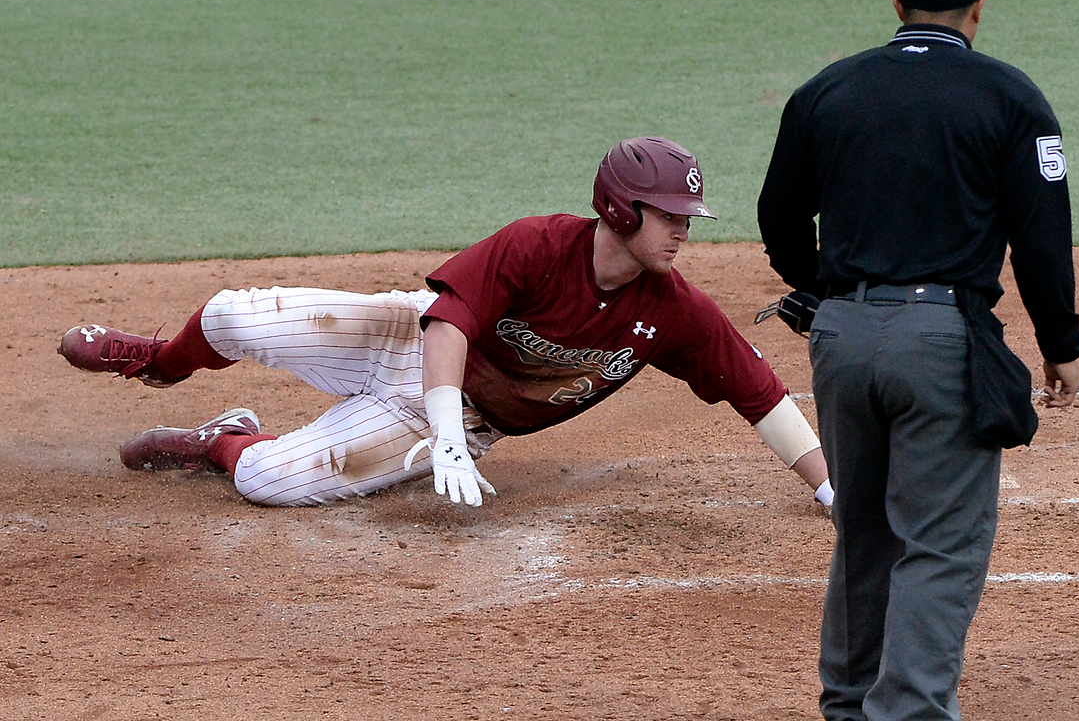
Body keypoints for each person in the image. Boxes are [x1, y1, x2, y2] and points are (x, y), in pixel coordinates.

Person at [58, 137, 832, 509]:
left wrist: (831, 492)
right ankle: (157, 361)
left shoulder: (674, 311)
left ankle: (218, 439)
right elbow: (449, 325)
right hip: (408, 339)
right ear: (620, 209)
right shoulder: (536, 245)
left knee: (268, 481)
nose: (683, 231)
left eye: (687, 217)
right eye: (669, 215)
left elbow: (758, 392)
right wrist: (447, 443)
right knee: (234, 314)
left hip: (459, 414)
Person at [756, 0, 1079, 721]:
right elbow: (1041, 236)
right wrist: (1062, 344)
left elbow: (778, 216)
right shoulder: (1010, 97)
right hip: (941, 343)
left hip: (841, 338)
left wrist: (824, 290)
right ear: (979, 9)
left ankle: (850, 706)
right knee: (938, 544)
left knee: (864, 534)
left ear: (899, 6)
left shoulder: (828, 90)